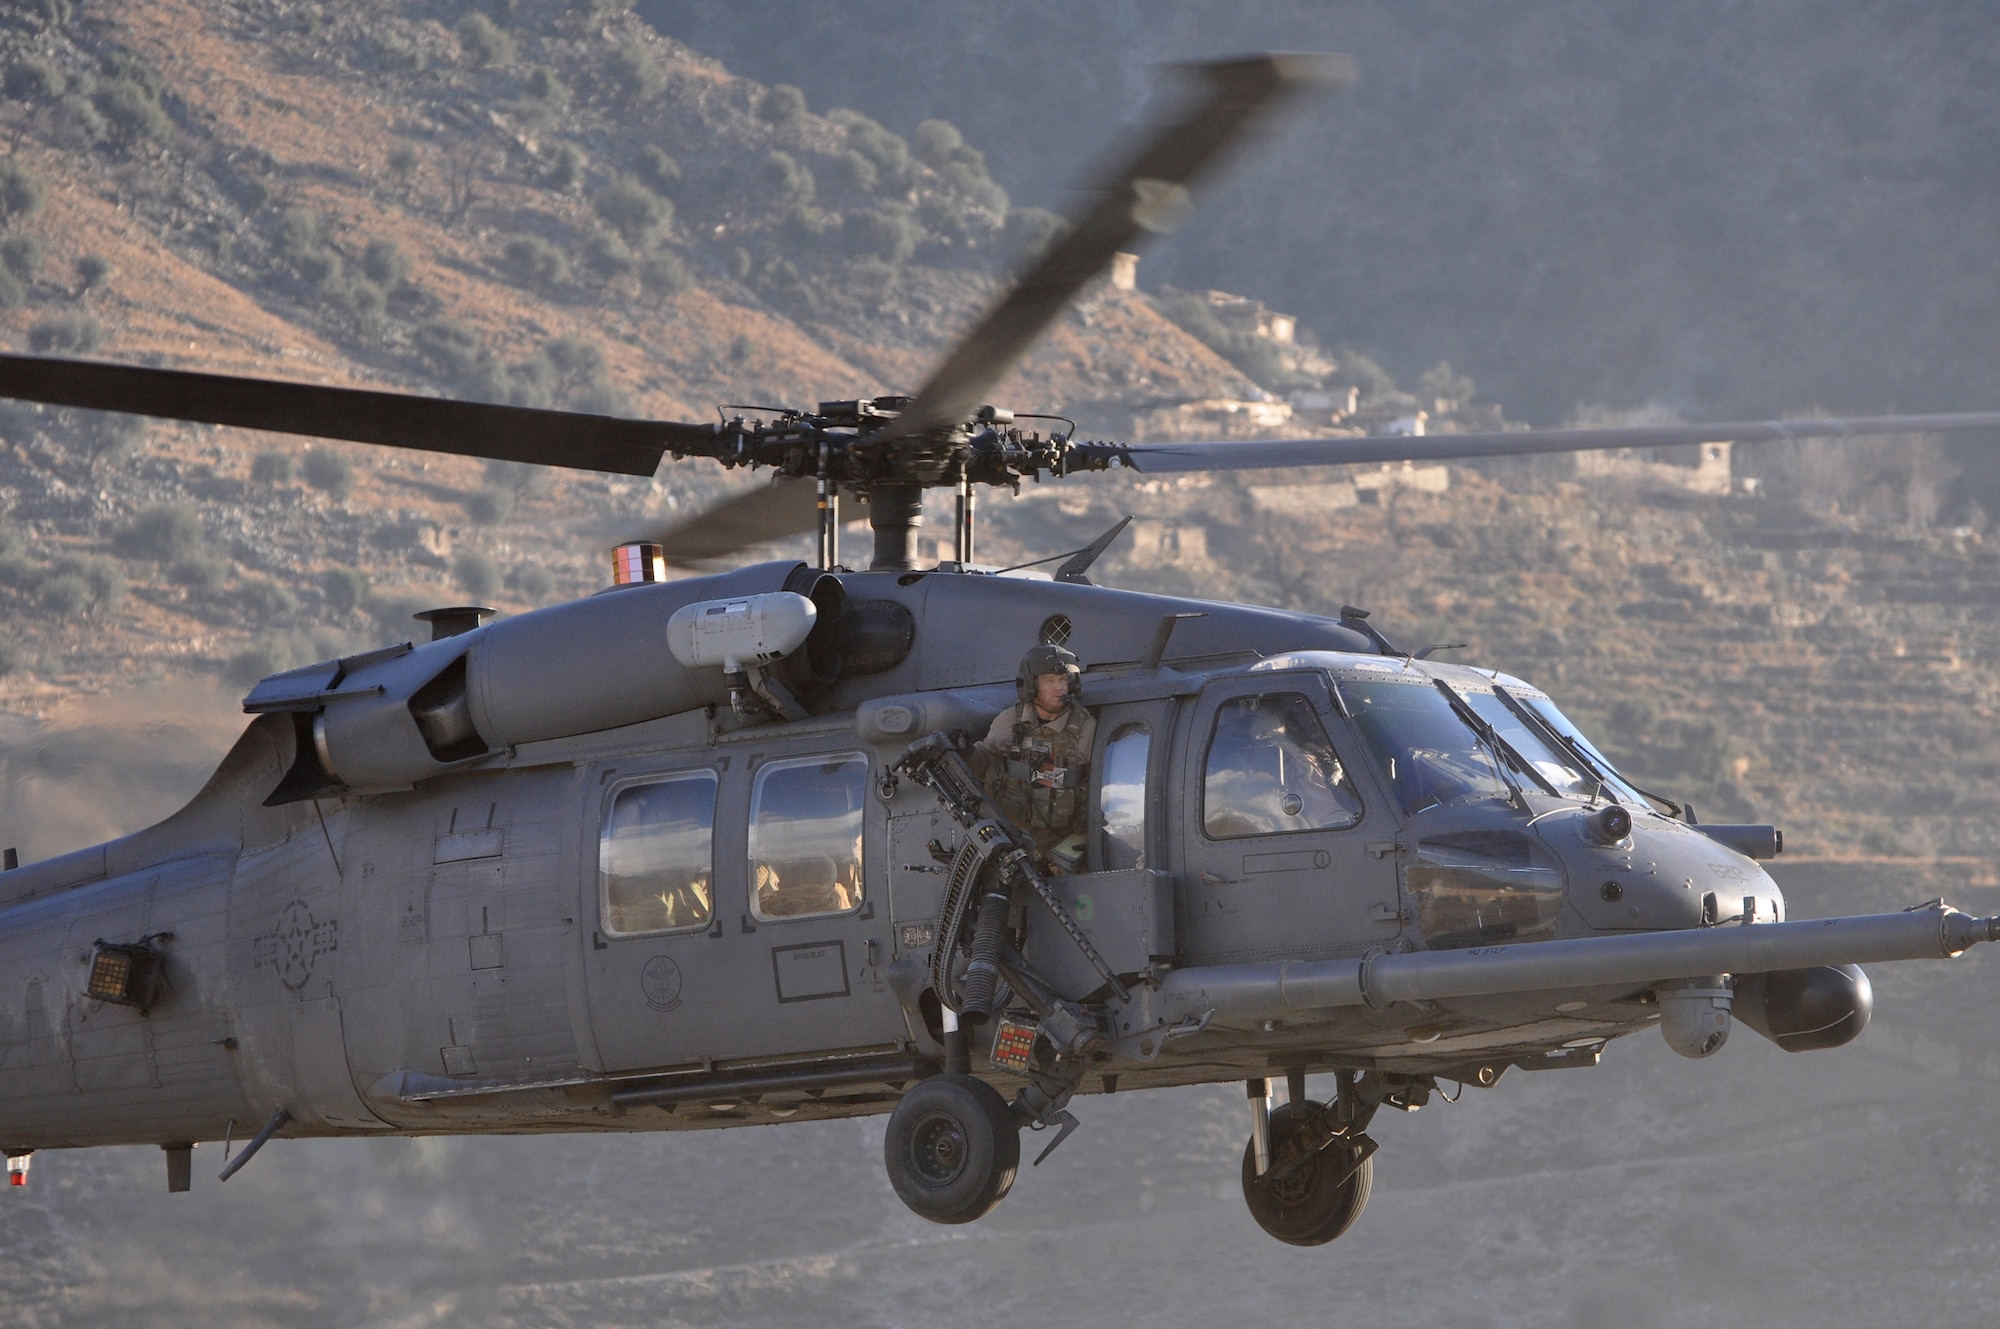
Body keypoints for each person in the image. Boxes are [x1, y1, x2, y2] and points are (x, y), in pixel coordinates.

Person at [972, 644, 1097, 870]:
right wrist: (964, 752)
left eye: (1063, 679)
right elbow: (983, 761)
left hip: (1058, 845)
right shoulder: (1010, 721)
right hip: (1010, 839)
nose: (1059, 687)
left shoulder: (1085, 727)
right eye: (1050, 681)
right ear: (1032, 685)